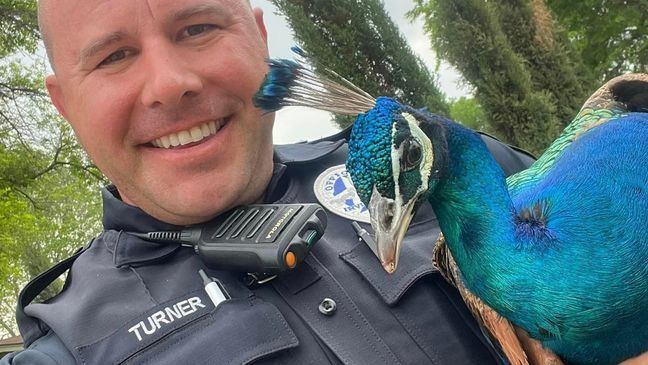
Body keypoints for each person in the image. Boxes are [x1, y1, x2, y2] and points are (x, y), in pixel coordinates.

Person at [0, 1, 620, 364]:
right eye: (113, 56)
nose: (170, 84)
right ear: (64, 104)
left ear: (260, 39)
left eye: (197, 28)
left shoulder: (441, 171)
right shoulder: (70, 351)